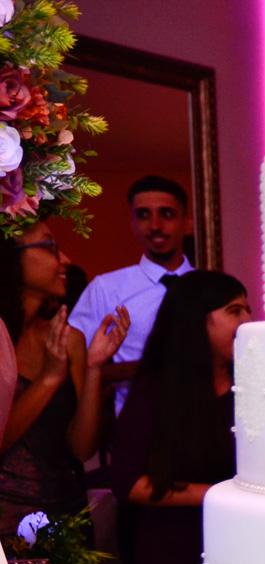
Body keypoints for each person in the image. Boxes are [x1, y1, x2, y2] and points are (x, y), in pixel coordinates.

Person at [107, 271, 249, 564]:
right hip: (171, 555)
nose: (247, 321)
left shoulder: (253, 388)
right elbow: (128, 482)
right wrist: (219, 494)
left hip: (239, 552)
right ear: (198, 319)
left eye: (248, 309)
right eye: (234, 311)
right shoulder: (158, 390)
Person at [0, 222, 127, 534]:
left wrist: (94, 367)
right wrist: (49, 379)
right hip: (7, 527)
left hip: (67, 517)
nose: (65, 260)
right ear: (11, 257)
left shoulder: (70, 339)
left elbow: (82, 450)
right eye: (50, 247)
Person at [70, 175, 194, 415]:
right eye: (143, 215)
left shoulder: (207, 286)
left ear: (187, 223)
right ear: (133, 224)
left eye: (167, 214)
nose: (155, 225)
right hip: (134, 422)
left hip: (203, 420)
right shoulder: (106, 288)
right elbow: (77, 360)